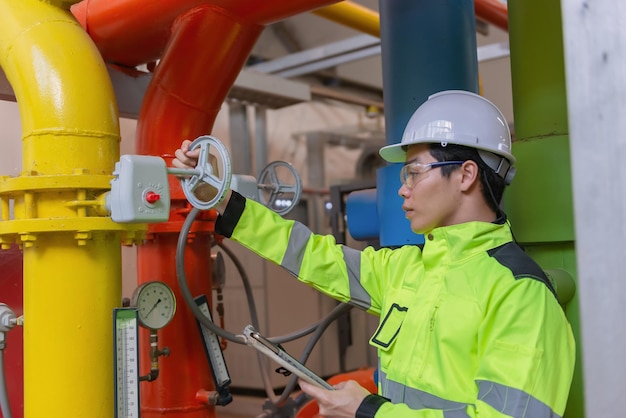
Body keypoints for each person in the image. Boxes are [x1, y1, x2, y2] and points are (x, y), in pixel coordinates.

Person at [173, 90, 575, 417]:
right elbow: (311, 254)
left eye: (414, 172)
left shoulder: (521, 295)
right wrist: (222, 200)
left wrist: (369, 412)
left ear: (466, 174)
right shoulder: (405, 267)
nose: (403, 188)